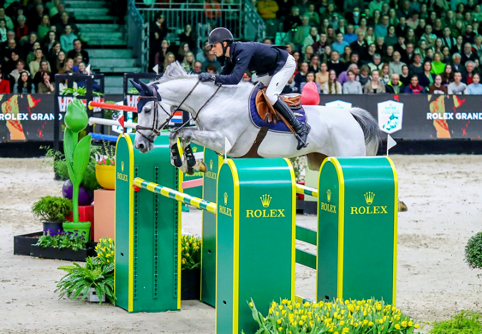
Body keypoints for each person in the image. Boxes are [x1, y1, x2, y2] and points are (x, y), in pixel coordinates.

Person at [198, 27, 310, 149]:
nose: (212, 49)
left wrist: (211, 76)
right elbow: (223, 78)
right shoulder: (230, 56)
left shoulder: (242, 51)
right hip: (268, 70)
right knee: (249, 95)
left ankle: (300, 128)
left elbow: (234, 79)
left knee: (271, 96)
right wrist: (208, 83)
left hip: (284, 64)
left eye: (214, 46)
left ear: (224, 44)